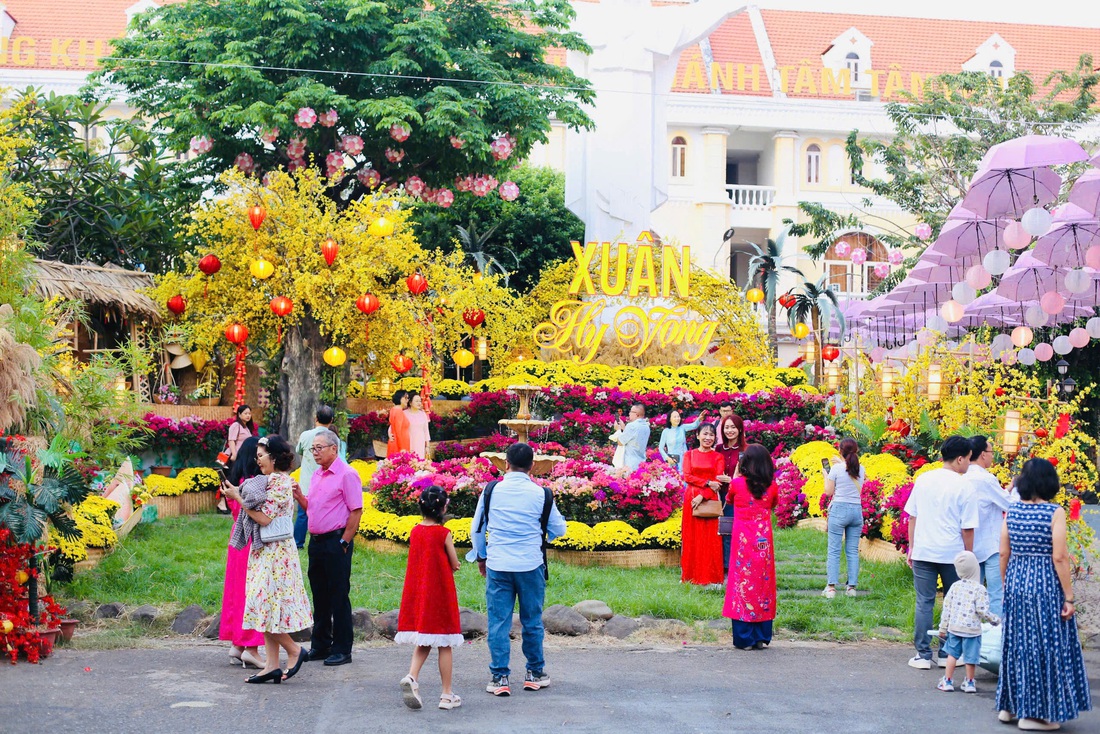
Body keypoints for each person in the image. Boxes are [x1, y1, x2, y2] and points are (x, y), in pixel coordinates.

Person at [995, 458, 1092, 730]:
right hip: (1044, 585)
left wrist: (1007, 584)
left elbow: (1004, 551)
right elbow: (1059, 556)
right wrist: (1069, 596)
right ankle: (1033, 715)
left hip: (1016, 580)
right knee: (1045, 646)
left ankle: (1009, 706)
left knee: (1016, 644)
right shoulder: (1054, 512)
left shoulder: (1012, 511)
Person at [468, 442, 566, 697]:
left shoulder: (492, 491)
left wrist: (482, 557)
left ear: (505, 464)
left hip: (498, 565)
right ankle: (534, 672)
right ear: (532, 466)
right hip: (530, 565)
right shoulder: (541, 494)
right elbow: (559, 529)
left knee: (498, 621)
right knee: (532, 621)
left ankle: (499, 676)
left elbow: (477, 528)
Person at [223, 435, 312, 684]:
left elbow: (264, 519)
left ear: (273, 457)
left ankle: (294, 650)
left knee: (266, 608)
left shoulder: (281, 483)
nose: (257, 460)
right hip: (265, 551)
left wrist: (238, 498)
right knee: (266, 608)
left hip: (276, 554)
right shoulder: (269, 481)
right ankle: (272, 665)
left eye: (261, 456)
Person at [904, 435, 980, 670]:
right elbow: (967, 527)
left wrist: (911, 547)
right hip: (953, 555)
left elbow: (912, 517)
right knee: (954, 602)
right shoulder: (964, 485)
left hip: (924, 551)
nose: (969, 464)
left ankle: (923, 655)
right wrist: (969, 555)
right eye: (968, 459)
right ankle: (948, 653)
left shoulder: (924, 479)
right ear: (959, 459)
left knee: (924, 602)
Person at [396, 486, 464, 711]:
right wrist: (456, 565)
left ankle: (412, 677)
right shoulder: (443, 533)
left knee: (424, 639)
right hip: (440, 594)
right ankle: (446, 695)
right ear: (443, 508)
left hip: (421, 595)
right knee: (445, 643)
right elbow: (453, 562)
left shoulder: (415, 531)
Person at [303, 430, 364, 667]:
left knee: (338, 595)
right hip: (316, 542)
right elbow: (313, 507)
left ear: (333, 449)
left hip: (336, 542)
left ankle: (341, 649)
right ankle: (320, 644)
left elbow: (356, 510)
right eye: (313, 448)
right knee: (319, 594)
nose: (315, 452)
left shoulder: (347, 475)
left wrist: (345, 541)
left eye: (319, 447)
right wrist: (299, 496)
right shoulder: (317, 474)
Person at [723, 443, 779, 650]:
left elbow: (729, 500)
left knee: (741, 584)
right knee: (763, 585)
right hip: (763, 543)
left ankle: (744, 637)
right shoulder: (772, 486)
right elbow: (773, 504)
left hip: (742, 543)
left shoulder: (736, 484)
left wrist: (737, 474)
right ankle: (761, 637)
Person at [220, 436, 265, 669]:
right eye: (259, 454)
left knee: (238, 592)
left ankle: (237, 645)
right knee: (252, 593)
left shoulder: (233, 481)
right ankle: (251, 647)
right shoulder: (252, 485)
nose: (261, 458)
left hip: (236, 541)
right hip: (250, 541)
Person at [935, 550, 1000, 694]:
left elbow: (947, 609)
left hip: (955, 628)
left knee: (952, 654)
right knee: (971, 658)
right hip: (972, 631)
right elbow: (982, 611)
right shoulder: (980, 589)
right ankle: (970, 682)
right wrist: (995, 620)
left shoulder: (954, 587)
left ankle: (947, 681)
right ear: (976, 568)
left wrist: (943, 627)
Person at [966, 435, 1012, 616]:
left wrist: (1005, 490)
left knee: (972, 592)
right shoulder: (986, 479)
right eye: (991, 452)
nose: (993, 456)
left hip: (971, 544)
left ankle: (970, 631)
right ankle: (996, 634)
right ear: (983, 454)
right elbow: (1008, 504)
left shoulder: (965, 478)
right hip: (991, 545)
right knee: (996, 593)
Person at [679, 424, 728, 587]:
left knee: (711, 539)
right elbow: (687, 476)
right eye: (705, 434)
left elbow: (718, 481)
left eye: (712, 435)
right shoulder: (689, 455)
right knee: (691, 537)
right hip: (691, 499)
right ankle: (690, 576)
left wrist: (702, 494)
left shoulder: (718, 457)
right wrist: (706, 483)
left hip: (708, 499)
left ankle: (712, 578)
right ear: (698, 435)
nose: (708, 438)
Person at [294, 405, 345, 549]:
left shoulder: (305, 435)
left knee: (303, 514)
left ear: (315, 418)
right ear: (332, 420)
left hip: (306, 481)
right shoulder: (333, 438)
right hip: (327, 483)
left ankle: (298, 542)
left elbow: (299, 451)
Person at [822, 437, 865, 599]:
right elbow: (850, 474)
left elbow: (828, 491)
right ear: (857, 451)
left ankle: (831, 588)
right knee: (852, 551)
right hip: (856, 511)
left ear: (840, 451)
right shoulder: (861, 468)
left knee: (834, 550)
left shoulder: (836, 469)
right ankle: (851, 588)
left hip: (839, 510)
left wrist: (826, 475)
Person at [715, 415, 746, 572]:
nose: (730, 430)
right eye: (726, 427)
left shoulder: (745, 451)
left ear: (740, 429)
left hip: (735, 497)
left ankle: (729, 566)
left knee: (730, 531)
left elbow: (748, 476)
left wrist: (731, 480)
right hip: (717, 495)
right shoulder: (719, 449)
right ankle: (719, 564)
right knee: (718, 531)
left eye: (733, 427)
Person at [219, 404, 256, 513]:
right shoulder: (236, 425)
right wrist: (234, 455)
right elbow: (231, 440)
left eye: (249, 413)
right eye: (245, 413)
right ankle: (222, 503)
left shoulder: (247, 427)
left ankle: (231, 503)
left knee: (235, 479)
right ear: (239, 414)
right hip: (233, 457)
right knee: (230, 478)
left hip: (242, 458)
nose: (248, 415)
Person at [614, 403, 651, 470]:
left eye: (631, 411)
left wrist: (618, 430)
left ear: (637, 414)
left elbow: (620, 442)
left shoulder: (631, 426)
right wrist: (624, 428)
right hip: (641, 463)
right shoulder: (646, 426)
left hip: (629, 465)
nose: (629, 414)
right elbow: (633, 438)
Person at [406, 393, 431, 459]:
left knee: (420, 462)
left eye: (420, 401)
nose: (419, 403)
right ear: (410, 402)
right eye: (416, 401)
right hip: (408, 442)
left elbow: (426, 431)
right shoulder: (404, 414)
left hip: (420, 442)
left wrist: (427, 447)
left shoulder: (423, 414)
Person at [387, 390, 411, 458]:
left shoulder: (394, 409)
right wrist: (401, 448)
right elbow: (398, 431)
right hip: (399, 444)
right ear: (400, 398)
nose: (407, 400)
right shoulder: (398, 411)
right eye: (406, 398)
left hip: (397, 442)